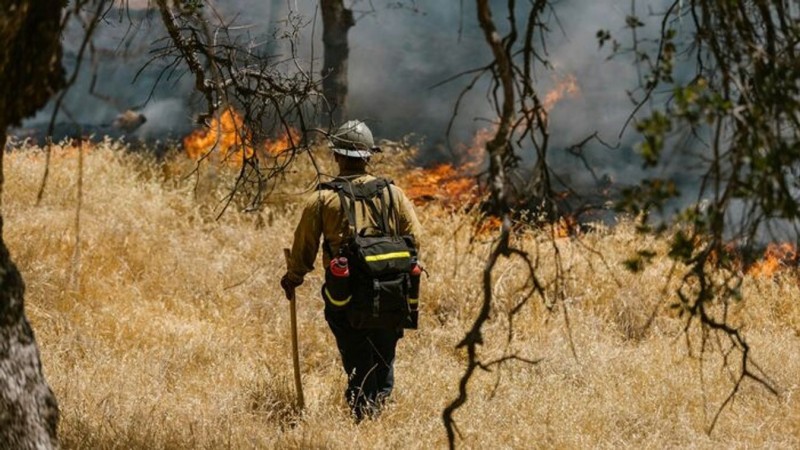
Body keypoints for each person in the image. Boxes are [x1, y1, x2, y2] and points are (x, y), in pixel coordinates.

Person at [280, 120, 423, 421]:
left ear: (336, 156)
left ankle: (364, 415)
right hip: (392, 291)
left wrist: (293, 277)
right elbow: (415, 238)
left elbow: (305, 247)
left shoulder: (323, 199)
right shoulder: (393, 194)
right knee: (383, 357)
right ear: (369, 156)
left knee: (357, 357)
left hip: (346, 295)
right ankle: (378, 412)